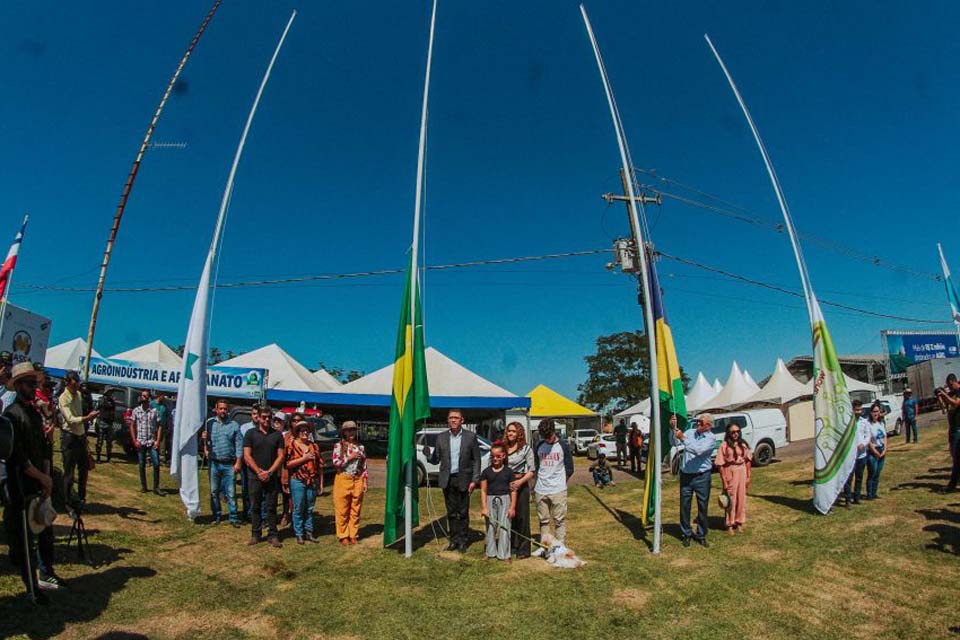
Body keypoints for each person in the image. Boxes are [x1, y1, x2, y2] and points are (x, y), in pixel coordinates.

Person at [2, 362, 61, 602]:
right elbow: (17, 456)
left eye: (34, 383)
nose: (33, 387)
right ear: (17, 386)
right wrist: (41, 477)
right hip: (21, 485)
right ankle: (31, 587)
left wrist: (47, 475)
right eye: (28, 383)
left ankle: (47, 573)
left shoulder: (35, 414)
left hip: (40, 483)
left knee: (45, 530)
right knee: (24, 541)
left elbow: (44, 446)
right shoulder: (11, 415)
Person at [423, 409, 482, 552]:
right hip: (447, 479)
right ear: (447, 420)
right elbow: (436, 459)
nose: (453, 420)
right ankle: (453, 540)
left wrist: (474, 480)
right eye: (451, 418)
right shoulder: (441, 437)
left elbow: (476, 460)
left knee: (462, 512)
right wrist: (428, 455)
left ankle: (463, 540)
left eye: (456, 418)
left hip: (464, 479)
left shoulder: (470, 437)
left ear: (462, 420)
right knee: (451, 512)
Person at [243, 409, 285, 547]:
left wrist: (270, 472)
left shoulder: (277, 435)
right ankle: (256, 534)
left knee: (271, 506)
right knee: (255, 506)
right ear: (259, 418)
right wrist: (259, 471)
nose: (267, 420)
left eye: (269, 417)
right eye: (264, 417)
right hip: (254, 476)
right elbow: (247, 455)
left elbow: (281, 456)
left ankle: (273, 535)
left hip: (271, 477)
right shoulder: (250, 434)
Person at [674, 413, 717, 547]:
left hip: (702, 476)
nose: (698, 424)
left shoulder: (711, 438)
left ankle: (701, 534)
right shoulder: (690, 432)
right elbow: (674, 441)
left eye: (701, 423)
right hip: (686, 475)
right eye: (698, 421)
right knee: (684, 506)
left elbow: (698, 450)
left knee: (702, 506)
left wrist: (683, 438)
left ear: (709, 426)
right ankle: (686, 533)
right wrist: (673, 428)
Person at [58, 371, 99, 510]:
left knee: (84, 470)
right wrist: (87, 418)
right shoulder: (63, 398)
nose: (77, 388)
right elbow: (70, 419)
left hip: (80, 437)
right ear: (67, 383)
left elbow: (81, 416)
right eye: (74, 385)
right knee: (69, 473)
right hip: (69, 437)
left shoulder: (79, 395)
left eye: (78, 385)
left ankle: (81, 499)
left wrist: (85, 434)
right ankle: (67, 501)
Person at [533, 418, 574, 545]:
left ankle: (560, 546)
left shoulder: (563, 446)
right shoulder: (539, 445)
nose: (547, 439)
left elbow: (569, 468)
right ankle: (545, 546)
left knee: (559, 520)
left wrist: (562, 482)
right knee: (543, 520)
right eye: (544, 436)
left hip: (558, 489)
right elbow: (536, 465)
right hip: (541, 489)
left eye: (549, 436)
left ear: (554, 432)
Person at [205, 400, 243, 527]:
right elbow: (207, 441)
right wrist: (204, 443)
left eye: (225, 409)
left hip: (229, 464)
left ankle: (233, 517)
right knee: (214, 491)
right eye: (220, 408)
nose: (223, 411)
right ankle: (216, 515)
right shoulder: (210, 423)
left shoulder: (234, 425)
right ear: (216, 409)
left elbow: (239, 445)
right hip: (214, 463)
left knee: (231, 493)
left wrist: (238, 462)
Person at [286, 420, 323, 544]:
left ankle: (309, 531)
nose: (305, 432)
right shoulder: (292, 445)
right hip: (297, 480)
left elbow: (319, 466)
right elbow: (288, 464)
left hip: (312, 480)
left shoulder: (314, 446)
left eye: (307, 430)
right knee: (298, 507)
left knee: (309, 508)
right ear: (297, 432)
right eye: (302, 430)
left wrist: (320, 483)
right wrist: (304, 459)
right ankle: (299, 533)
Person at [332, 421, 367, 545]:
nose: (351, 432)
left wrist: (364, 480)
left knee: (355, 508)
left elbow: (364, 465)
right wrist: (349, 458)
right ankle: (343, 535)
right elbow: (335, 462)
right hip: (343, 478)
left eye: (353, 430)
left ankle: (353, 534)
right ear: (344, 432)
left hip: (357, 479)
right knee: (342, 508)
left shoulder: (360, 447)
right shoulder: (339, 446)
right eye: (348, 430)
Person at [480, 443, 517, 562]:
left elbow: (513, 492)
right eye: (493, 456)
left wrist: (512, 507)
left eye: (498, 456)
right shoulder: (486, 472)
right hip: (491, 500)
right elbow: (483, 490)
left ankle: (505, 554)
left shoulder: (509, 472)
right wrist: (485, 507)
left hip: (505, 499)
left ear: (503, 456)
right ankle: (490, 552)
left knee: (504, 526)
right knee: (491, 526)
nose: (495, 459)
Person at [504, 421, 535, 559]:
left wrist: (520, 482)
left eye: (514, 431)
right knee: (509, 516)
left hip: (521, 485)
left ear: (519, 434)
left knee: (522, 517)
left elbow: (532, 470)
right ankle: (511, 545)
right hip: (505, 486)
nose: (511, 433)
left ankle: (524, 549)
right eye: (509, 431)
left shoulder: (526, 449)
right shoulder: (502, 447)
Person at [715, 422, 752, 534]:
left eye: (737, 431)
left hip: (742, 471)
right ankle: (729, 524)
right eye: (733, 432)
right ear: (729, 433)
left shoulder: (743, 444)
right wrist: (724, 481)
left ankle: (739, 521)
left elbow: (748, 460)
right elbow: (720, 464)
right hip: (730, 471)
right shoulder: (724, 445)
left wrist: (748, 477)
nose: (735, 434)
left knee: (741, 498)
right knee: (731, 499)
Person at [128, 390, 162, 494]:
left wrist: (157, 440)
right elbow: (132, 426)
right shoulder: (136, 411)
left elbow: (160, 426)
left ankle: (156, 487)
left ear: (149, 398)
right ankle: (144, 486)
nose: (144, 398)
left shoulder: (154, 411)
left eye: (146, 396)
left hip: (151, 441)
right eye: (143, 396)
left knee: (156, 463)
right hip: (141, 441)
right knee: (141, 464)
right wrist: (134, 440)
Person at [842, 400, 871, 506]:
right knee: (849, 478)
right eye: (856, 410)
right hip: (851, 455)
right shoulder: (848, 423)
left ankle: (857, 497)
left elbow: (868, 435)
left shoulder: (864, 422)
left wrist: (863, 444)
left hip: (861, 455)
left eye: (860, 409)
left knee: (859, 477)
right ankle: (848, 499)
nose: (859, 411)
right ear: (852, 410)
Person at [938, 375, 960, 492]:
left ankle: (953, 483)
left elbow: (956, 403)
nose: (950, 388)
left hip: (958, 429)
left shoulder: (959, 392)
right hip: (952, 429)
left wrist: (944, 394)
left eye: (950, 385)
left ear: (953, 382)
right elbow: (944, 408)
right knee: (954, 456)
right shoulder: (951, 393)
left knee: (957, 458)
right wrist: (940, 397)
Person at [239, 405, 260, 522]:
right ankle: (247, 513)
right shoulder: (244, 428)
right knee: (246, 490)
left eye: (258, 414)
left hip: (259, 463)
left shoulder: (265, 428)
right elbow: (240, 446)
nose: (256, 416)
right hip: (245, 464)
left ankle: (258, 514)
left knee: (258, 492)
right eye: (254, 414)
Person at [865, 402, 887, 500]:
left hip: (881, 449)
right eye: (874, 412)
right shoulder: (868, 424)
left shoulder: (881, 423)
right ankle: (869, 494)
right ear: (870, 412)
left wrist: (885, 449)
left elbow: (885, 437)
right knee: (872, 473)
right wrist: (874, 451)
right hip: (872, 451)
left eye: (877, 411)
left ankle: (874, 493)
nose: (876, 414)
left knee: (877, 473)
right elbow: (868, 439)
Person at [94, 392, 118, 464]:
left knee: (109, 442)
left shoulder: (112, 401)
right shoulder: (101, 400)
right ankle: (98, 458)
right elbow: (96, 409)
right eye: (109, 393)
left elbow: (113, 411)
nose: (111, 395)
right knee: (100, 441)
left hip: (109, 423)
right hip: (102, 422)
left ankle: (109, 458)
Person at [152, 393, 170, 464]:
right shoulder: (152, 404)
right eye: (163, 396)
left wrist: (168, 425)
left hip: (163, 427)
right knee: (153, 441)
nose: (164, 398)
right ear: (159, 396)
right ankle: (151, 457)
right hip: (153, 426)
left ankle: (161, 458)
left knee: (162, 443)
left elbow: (167, 416)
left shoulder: (164, 406)